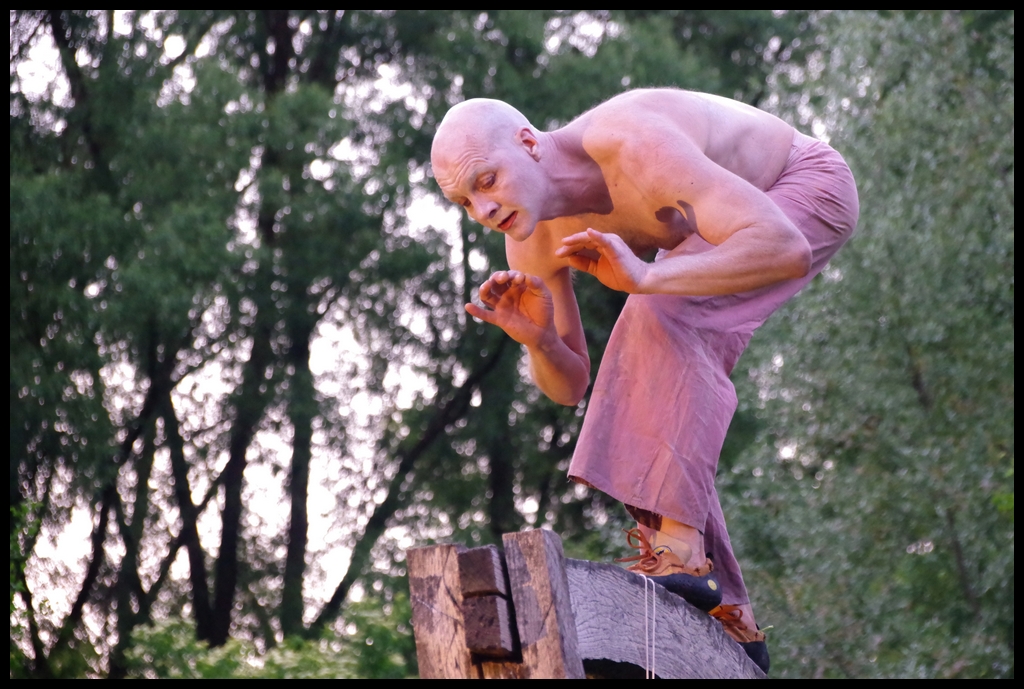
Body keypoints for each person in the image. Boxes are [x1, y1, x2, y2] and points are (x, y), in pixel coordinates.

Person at [430, 88, 859, 673]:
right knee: (655, 334)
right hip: (736, 227)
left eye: (486, 180)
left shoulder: (631, 143)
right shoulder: (529, 236)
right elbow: (569, 387)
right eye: (464, 202)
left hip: (800, 187)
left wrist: (646, 278)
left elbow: (784, 247)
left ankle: (680, 557)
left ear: (528, 143)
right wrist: (541, 341)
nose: (482, 208)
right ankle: (729, 610)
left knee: (661, 311)